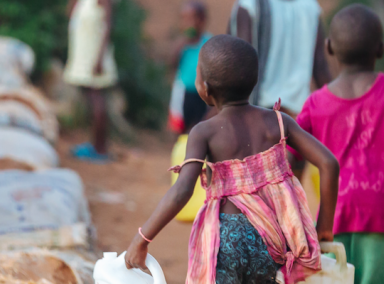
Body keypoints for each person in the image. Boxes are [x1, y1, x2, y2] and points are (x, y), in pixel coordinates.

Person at [123, 35, 340, 284]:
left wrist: (142, 238)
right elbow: (329, 163)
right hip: (272, 239)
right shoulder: (279, 122)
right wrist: (324, 227)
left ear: (205, 87)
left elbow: (182, 190)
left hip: (226, 240)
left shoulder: (204, 132)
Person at [290, 5, 384, 284]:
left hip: (333, 213)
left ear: (329, 48)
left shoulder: (315, 102)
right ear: (380, 49)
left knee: (334, 279)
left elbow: (290, 154)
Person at [228, 0, 331, 116]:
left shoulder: (250, 5)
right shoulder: (311, 7)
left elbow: (239, 62)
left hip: (260, 113)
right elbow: (320, 67)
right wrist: (334, 105)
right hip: (298, 115)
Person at [65, 0, 117, 162]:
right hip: (84, 57)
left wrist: (99, 58)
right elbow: (69, 14)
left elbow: (108, 27)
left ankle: (100, 149)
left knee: (97, 99)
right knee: (91, 100)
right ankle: (95, 144)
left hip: (95, 59)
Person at [168, 1, 215, 134]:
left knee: (199, 126)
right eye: (183, 19)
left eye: (191, 19)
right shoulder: (182, 44)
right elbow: (171, 64)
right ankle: (178, 151)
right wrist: (180, 45)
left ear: (202, 20)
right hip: (183, 91)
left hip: (203, 94)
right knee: (179, 127)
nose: (187, 23)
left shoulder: (209, 43)